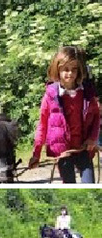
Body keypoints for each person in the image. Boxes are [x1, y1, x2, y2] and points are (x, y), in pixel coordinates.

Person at [28, 46, 100, 183]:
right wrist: (36, 154)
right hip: (63, 152)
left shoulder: (87, 93)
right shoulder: (50, 95)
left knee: (89, 181)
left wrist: (92, 138)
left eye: (74, 69)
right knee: (69, 183)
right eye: (66, 69)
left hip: (83, 148)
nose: (70, 73)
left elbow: (96, 116)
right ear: (58, 69)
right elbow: (42, 125)